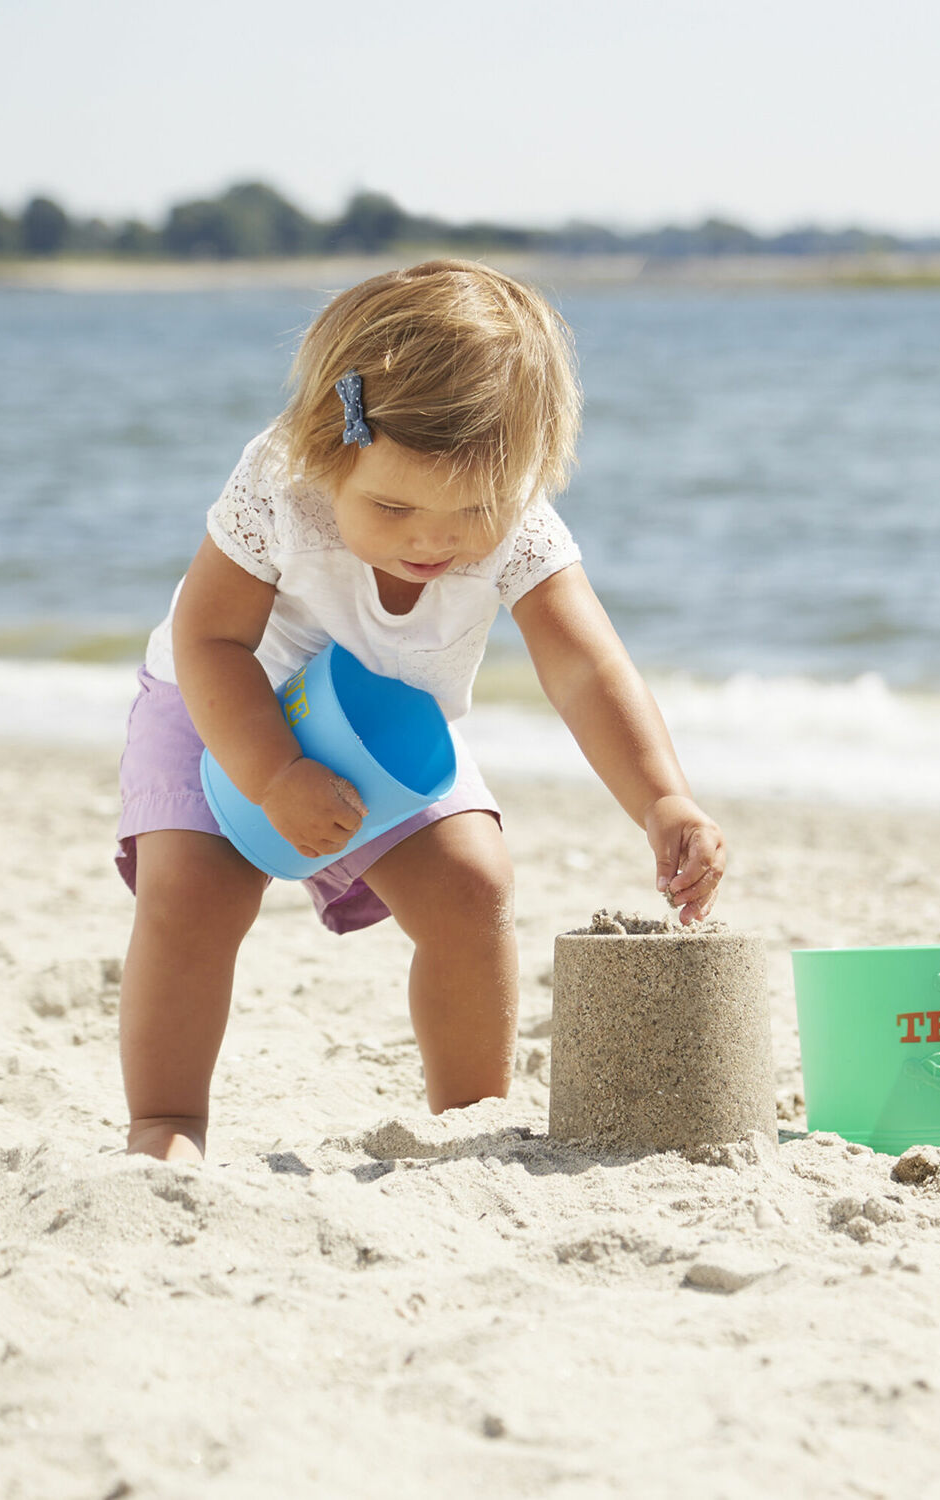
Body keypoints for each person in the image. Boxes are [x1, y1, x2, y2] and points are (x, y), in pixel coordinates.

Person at [115, 260, 726, 1163]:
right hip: (227, 701)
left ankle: (468, 1120)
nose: (431, 539)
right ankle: (167, 1120)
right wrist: (274, 772)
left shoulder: (519, 523)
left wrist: (662, 799)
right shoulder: (281, 484)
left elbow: (588, 670)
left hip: (384, 727)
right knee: (195, 895)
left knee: (472, 887)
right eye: (393, 506)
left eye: (470, 509)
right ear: (332, 449)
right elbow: (211, 643)